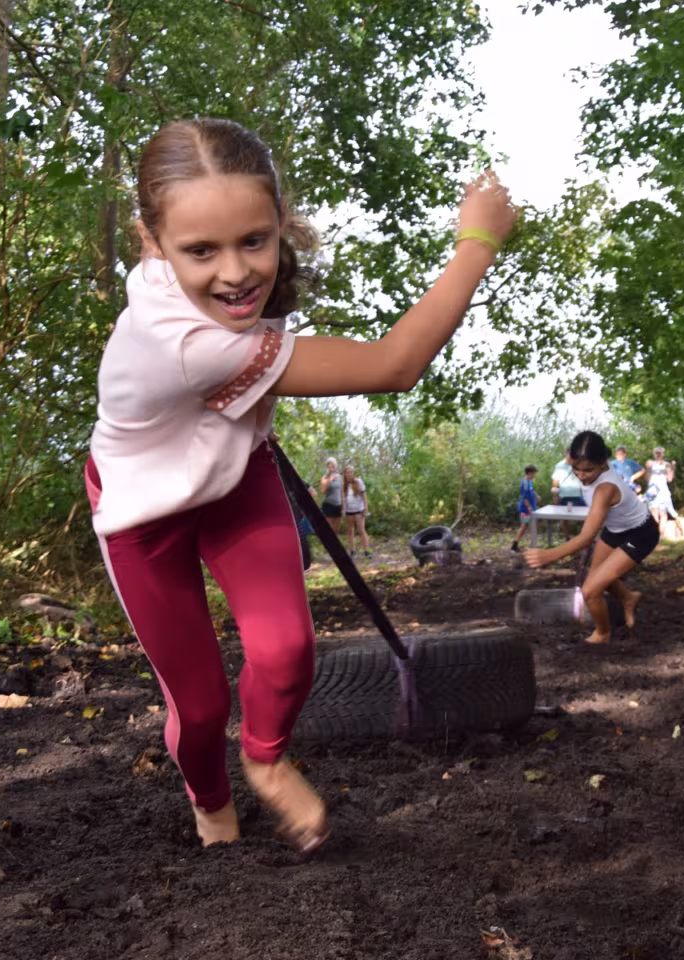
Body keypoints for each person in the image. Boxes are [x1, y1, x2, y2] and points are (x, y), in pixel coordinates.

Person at [85, 118, 514, 851]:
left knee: (287, 651)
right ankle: (210, 796)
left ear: (280, 220)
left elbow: (251, 294)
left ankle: (265, 758)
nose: (234, 273)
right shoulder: (183, 345)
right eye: (200, 251)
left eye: (254, 240)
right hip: (144, 514)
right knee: (198, 700)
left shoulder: (210, 277)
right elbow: (392, 366)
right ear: (152, 241)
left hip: (235, 482)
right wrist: (478, 243)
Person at [524, 431, 656, 645]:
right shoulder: (591, 465)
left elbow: (586, 538)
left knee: (590, 591)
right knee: (596, 578)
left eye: (588, 470)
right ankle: (628, 598)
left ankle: (603, 634)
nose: (582, 475)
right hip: (614, 530)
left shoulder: (606, 488)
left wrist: (549, 555)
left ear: (604, 463)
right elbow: (583, 450)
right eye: (576, 469)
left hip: (640, 533)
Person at [642, 446, 678, 531]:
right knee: (654, 512)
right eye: (656, 453)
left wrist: (673, 467)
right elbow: (646, 479)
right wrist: (648, 469)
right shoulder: (650, 463)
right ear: (653, 454)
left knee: (663, 513)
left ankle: (661, 534)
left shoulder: (667, 465)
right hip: (652, 490)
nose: (658, 454)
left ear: (663, 454)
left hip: (663, 491)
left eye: (659, 453)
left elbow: (670, 479)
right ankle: (655, 533)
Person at [551, 453, 585, 536]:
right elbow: (555, 481)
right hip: (565, 496)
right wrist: (555, 495)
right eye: (571, 455)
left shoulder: (578, 464)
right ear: (566, 454)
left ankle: (582, 538)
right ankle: (567, 537)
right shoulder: (559, 466)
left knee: (583, 518)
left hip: (578, 495)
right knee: (566, 518)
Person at [341, 464, 370, 559]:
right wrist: (343, 510)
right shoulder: (344, 485)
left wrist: (366, 508)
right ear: (345, 474)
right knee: (350, 531)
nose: (349, 474)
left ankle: (366, 551)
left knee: (361, 530)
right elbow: (343, 498)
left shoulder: (358, 482)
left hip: (359, 510)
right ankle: (352, 551)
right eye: (347, 472)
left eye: (351, 472)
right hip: (349, 511)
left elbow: (364, 495)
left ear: (353, 473)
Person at [511, 464, 539, 552]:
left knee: (531, 525)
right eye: (534, 473)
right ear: (529, 473)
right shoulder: (524, 483)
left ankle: (532, 544)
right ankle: (514, 544)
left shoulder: (529, 482)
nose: (535, 475)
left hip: (531, 507)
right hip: (525, 509)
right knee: (524, 526)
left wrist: (536, 495)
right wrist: (529, 508)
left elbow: (531, 490)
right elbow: (524, 497)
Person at [316, 457, 343, 535]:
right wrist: (329, 480)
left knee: (336, 529)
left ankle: (335, 545)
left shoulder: (340, 477)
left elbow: (341, 492)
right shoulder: (324, 478)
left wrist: (343, 506)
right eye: (329, 466)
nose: (331, 468)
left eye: (333, 466)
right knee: (328, 528)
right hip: (328, 504)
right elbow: (323, 491)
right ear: (327, 467)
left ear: (335, 466)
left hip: (338, 505)